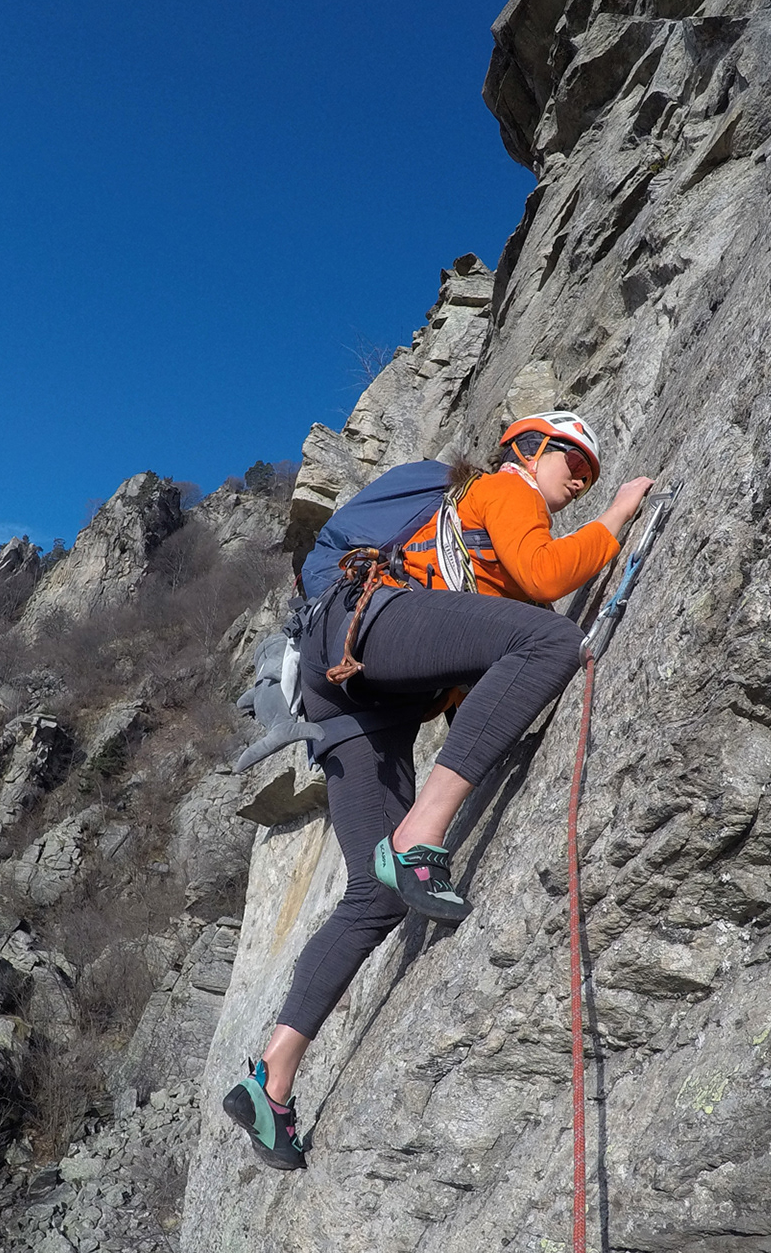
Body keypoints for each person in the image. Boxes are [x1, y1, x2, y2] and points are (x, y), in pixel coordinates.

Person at [225, 411, 655, 1169]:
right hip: (369, 626)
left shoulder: (464, 551)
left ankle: (272, 1078)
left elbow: (468, 683)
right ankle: (424, 836)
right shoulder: (503, 488)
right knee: (553, 637)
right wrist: (618, 514)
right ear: (528, 447)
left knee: (375, 893)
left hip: (346, 692)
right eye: (571, 460)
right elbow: (550, 579)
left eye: (591, 474)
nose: (580, 479)